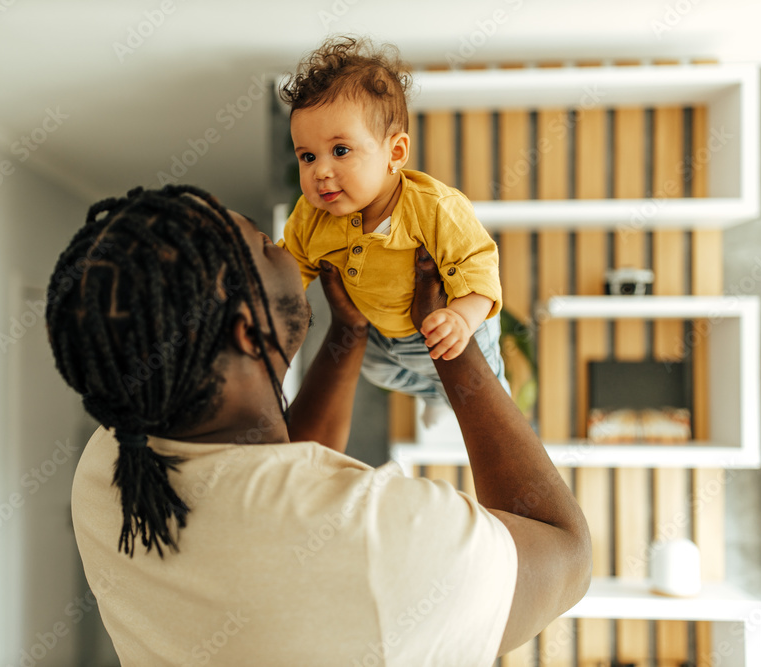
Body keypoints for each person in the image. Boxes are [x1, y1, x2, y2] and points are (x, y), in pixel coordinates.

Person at [46, 185, 591, 666]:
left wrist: (349, 332)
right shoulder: (381, 543)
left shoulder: (109, 465)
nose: (288, 248)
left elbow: (280, 475)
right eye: (266, 245)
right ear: (246, 330)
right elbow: (565, 553)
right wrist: (451, 341)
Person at [277, 35, 509, 427]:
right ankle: (433, 393)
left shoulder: (432, 207)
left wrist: (462, 319)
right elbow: (290, 265)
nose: (320, 171)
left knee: (480, 387)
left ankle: (449, 396)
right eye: (307, 156)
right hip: (383, 336)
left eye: (340, 150)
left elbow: (477, 263)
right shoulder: (310, 216)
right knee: (380, 372)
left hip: (450, 321)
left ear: (395, 153)